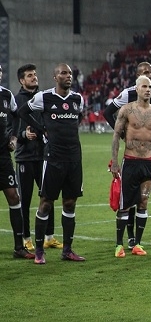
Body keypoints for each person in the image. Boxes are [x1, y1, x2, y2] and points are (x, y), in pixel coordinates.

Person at [18, 63, 86, 264]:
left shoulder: (77, 99)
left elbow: (78, 118)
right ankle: (39, 250)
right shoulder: (44, 97)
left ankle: (67, 250)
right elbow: (23, 112)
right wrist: (41, 129)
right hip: (53, 158)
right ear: (55, 77)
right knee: (46, 203)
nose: (68, 76)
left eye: (70, 74)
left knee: (70, 202)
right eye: (64, 73)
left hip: (74, 158)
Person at [103, 62, 151, 249]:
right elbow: (108, 112)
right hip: (132, 155)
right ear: (136, 81)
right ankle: (129, 239)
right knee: (130, 200)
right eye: (145, 74)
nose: (149, 77)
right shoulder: (127, 97)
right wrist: (123, 136)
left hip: (150, 156)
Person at [110, 75, 151, 258]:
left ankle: (138, 244)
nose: (148, 89)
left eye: (150, 87)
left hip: (149, 163)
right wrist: (115, 162)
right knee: (124, 205)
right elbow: (116, 135)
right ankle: (119, 245)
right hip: (130, 161)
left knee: (143, 202)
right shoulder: (126, 110)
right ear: (136, 89)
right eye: (144, 86)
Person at [14, 64, 62, 252]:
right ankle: (26, 237)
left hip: (44, 156)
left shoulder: (43, 98)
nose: (34, 77)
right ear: (21, 80)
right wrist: (23, 135)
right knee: (24, 200)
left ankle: (49, 236)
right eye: (29, 75)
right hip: (25, 157)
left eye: (34, 74)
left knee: (48, 196)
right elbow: (10, 128)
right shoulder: (17, 100)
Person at [0, 64, 34, 259]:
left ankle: (19, 247)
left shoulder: (6, 95)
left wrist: (13, 137)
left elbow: (16, 115)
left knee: (14, 197)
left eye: (0, 70)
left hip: (3, 157)